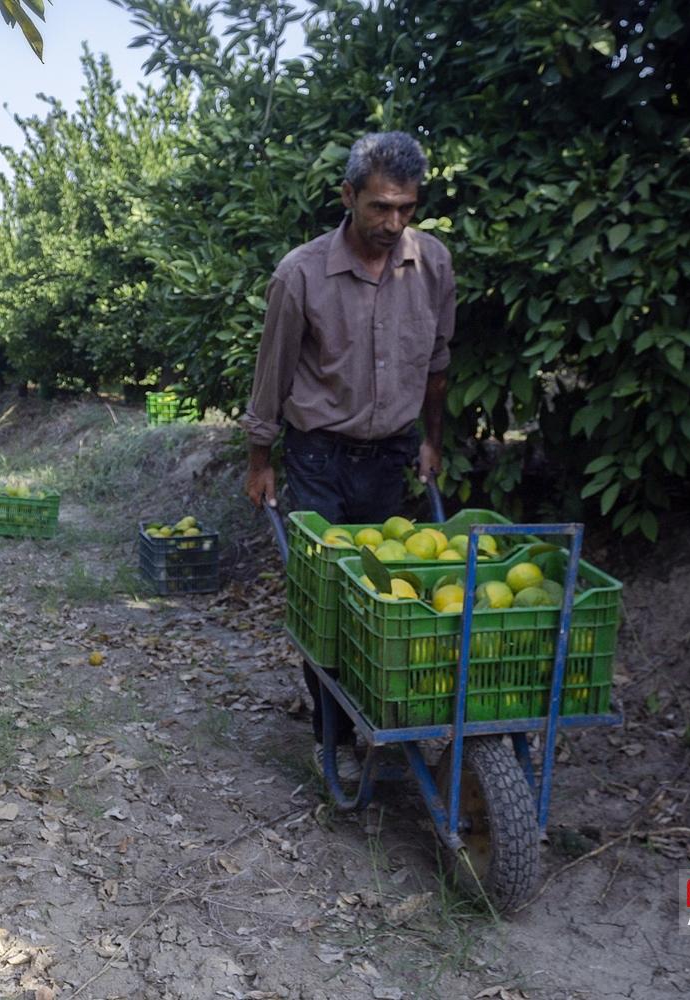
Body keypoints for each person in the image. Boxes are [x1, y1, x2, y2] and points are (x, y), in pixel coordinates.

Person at [241, 131, 456, 780]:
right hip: (319, 456)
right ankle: (332, 733)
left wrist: (431, 438)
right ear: (348, 196)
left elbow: (438, 366)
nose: (393, 223)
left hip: (389, 453)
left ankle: (378, 718)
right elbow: (272, 374)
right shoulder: (300, 274)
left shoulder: (434, 264)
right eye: (380, 207)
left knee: (384, 595)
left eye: (406, 208)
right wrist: (260, 459)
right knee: (328, 598)